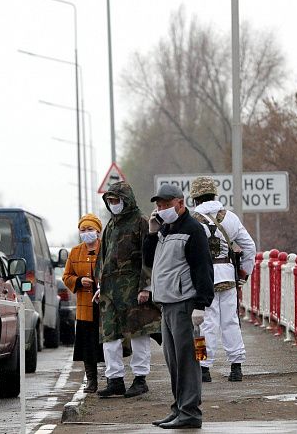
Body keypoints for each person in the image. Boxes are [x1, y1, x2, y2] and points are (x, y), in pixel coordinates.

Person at [143, 184, 214, 429]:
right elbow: (149, 261)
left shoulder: (193, 230)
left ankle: (190, 412)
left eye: (165, 204)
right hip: (167, 304)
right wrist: (151, 234)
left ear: (180, 204)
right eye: (158, 205)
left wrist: (201, 304)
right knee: (173, 361)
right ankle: (179, 408)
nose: (161, 209)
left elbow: (203, 268)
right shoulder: (164, 230)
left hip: (185, 304)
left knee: (188, 360)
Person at [95, 181, 162, 398]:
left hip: (134, 289)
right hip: (110, 292)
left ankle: (140, 378)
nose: (113, 204)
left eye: (116, 200)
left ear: (126, 200)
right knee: (110, 337)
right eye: (110, 201)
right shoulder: (111, 226)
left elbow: (149, 257)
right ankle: (115, 379)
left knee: (138, 333)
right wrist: (100, 286)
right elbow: (103, 258)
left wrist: (146, 286)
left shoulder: (141, 223)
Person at [190, 176, 256, 383]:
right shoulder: (231, 218)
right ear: (214, 193)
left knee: (203, 324)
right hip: (227, 274)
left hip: (202, 279)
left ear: (195, 197)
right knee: (230, 321)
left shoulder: (191, 221)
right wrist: (243, 273)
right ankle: (236, 367)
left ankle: (203, 368)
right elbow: (249, 247)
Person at [63, 213, 106, 393]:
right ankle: (91, 381)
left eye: (90, 229)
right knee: (87, 345)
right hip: (85, 306)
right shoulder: (75, 252)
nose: (86, 233)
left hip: (104, 305)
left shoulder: (106, 248)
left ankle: (113, 379)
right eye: (83, 230)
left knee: (107, 344)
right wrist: (79, 281)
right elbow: (66, 276)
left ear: (98, 231)